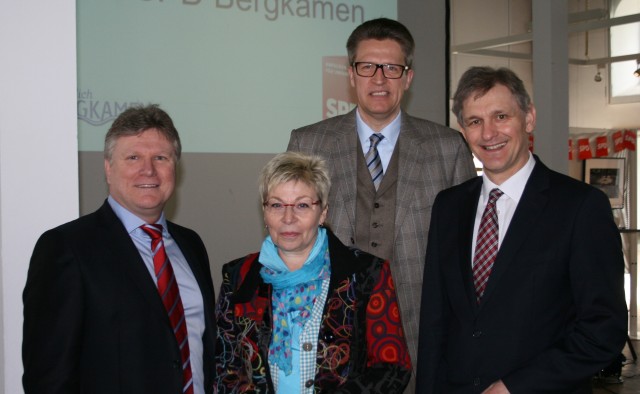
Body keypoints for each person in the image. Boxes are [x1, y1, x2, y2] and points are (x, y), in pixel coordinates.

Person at [287, 18, 477, 389]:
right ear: (351, 75)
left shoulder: (447, 147)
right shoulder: (308, 143)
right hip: (326, 330)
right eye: (367, 67)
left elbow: (465, 251)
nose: (379, 79)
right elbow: (288, 235)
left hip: (418, 335)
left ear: (408, 77)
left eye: (392, 68)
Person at [416, 66, 628, 393]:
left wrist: (514, 387)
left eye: (501, 116)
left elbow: (603, 331)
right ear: (463, 129)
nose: (488, 134)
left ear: (529, 118)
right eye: (475, 121)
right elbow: (434, 323)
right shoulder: (449, 206)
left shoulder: (581, 207)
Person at [23, 105, 217, 394]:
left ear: (175, 167)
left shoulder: (191, 245)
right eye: (133, 157)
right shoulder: (66, 248)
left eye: (160, 158)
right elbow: (48, 379)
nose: (148, 169)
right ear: (108, 168)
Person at [214, 151, 411, 393]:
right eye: (276, 205)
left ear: (323, 212)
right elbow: (225, 368)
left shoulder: (367, 273)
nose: (288, 218)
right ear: (264, 212)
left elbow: (392, 369)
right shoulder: (238, 277)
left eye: (302, 205)